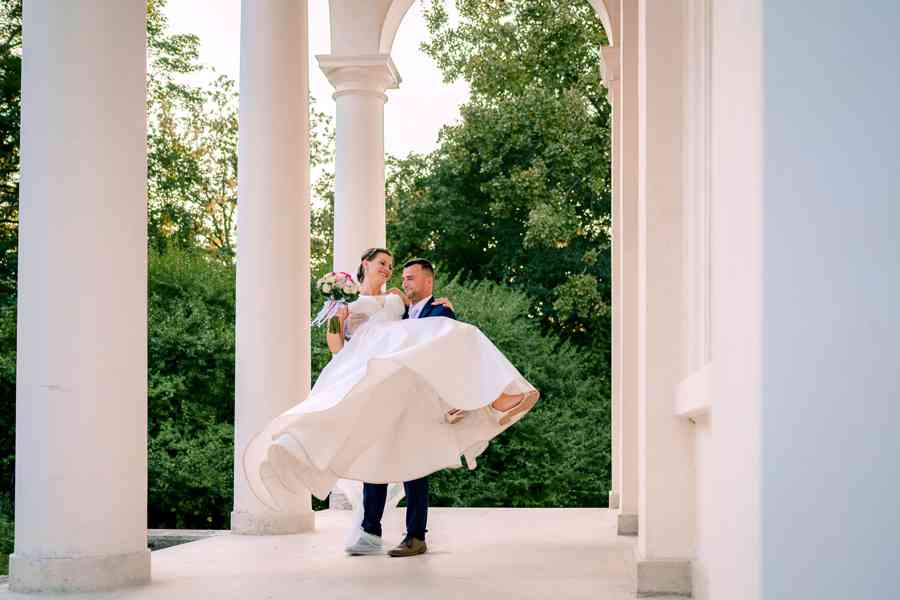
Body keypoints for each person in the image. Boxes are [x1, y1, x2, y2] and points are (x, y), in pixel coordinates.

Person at [242, 248, 539, 557]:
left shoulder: (406, 301)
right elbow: (336, 346)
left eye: (393, 267)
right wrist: (338, 317)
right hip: (372, 384)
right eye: (383, 264)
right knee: (375, 457)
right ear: (365, 265)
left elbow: (430, 342)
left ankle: (415, 534)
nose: (389, 270)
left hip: (409, 396)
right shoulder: (350, 305)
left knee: (414, 463)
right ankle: (368, 530)